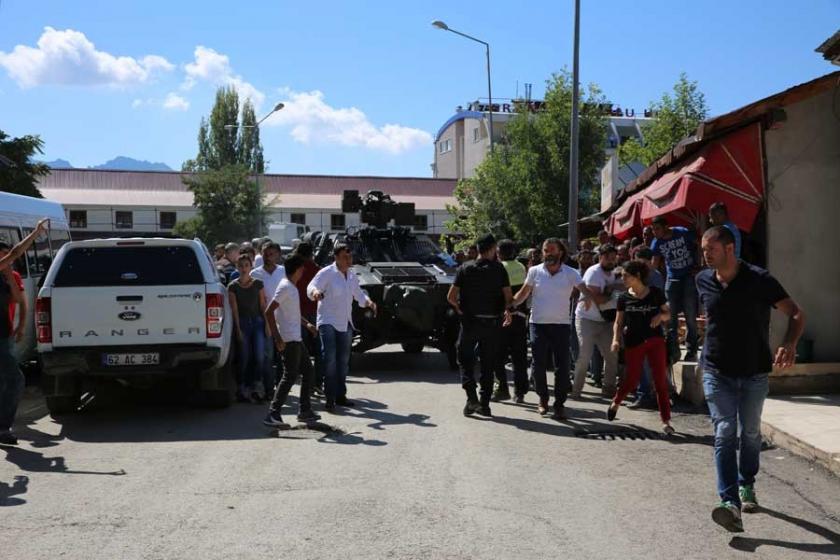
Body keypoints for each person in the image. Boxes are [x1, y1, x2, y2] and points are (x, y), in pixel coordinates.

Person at [698, 226, 804, 533]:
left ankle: (747, 483)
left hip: (754, 372)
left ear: (730, 249)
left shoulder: (760, 279)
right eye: (703, 249)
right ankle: (729, 502)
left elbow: (796, 313)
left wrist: (789, 343)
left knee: (751, 434)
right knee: (725, 432)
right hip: (716, 371)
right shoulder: (702, 279)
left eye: (710, 249)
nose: (705, 255)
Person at [509, 238, 590, 419]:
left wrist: (590, 300)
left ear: (560, 252)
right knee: (538, 364)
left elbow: (584, 289)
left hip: (561, 325)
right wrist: (510, 305)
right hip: (537, 324)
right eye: (546, 250)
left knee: (562, 366)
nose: (548, 253)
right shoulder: (534, 271)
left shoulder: (571, 273)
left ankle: (559, 403)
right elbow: (523, 293)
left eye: (552, 250)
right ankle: (543, 399)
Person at [447, 233, 511, 417]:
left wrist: (460, 310)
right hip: (492, 323)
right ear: (491, 249)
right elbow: (508, 297)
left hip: (470, 322)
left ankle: (471, 398)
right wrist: (507, 309)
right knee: (487, 364)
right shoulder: (499, 269)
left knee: (465, 360)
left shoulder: (465, 268)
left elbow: (450, 297)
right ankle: (485, 404)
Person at [607, 260, 674, 434]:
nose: (622, 279)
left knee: (660, 380)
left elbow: (668, 313)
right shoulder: (623, 297)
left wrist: (660, 317)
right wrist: (615, 339)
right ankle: (616, 402)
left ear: (637, 276)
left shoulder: (655, 293)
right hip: (633, 342)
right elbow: (618, 321)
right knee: (632, 380)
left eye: (625, 276)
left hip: (655, 341)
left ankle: (666, 421)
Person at [308, 244, 377, 412]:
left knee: (343, 361)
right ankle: (330, 397)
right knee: (330, 359)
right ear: (336, 258)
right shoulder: (326, 273)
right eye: (345, 257)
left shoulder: (351, 276)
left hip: (345, 322)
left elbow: (358, 294)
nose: (349, 260)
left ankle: (340, 396)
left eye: (350, 256)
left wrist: (368, 302)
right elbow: (311, 287)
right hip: (327, 321)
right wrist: (316, 293)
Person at [0, 218, 49, 446]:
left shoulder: (6, 276)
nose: (6, 258)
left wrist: (18, 327)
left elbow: (19, 300)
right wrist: (35, 234)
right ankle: (2, 428)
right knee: (16, 379)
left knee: (10, 380)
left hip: (4, 334)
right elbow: (17, 252)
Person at [263, 254, 321, 427]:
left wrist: (307, 324)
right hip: (289, 339)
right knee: (289, 376)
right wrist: (278, 338)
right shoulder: (286, 287)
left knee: (308, 372)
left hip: (295, 337)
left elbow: (293, 313)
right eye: (302, 268)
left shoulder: (291, 287)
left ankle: (304, 410)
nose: (303, 271)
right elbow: (268, 312)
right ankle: (273, 413)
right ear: (296, 270)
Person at [571, 244, 621, 398]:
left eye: (613, 259)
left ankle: (609, 388)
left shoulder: (615, 273)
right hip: (587, 319)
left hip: (606, 321)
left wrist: (613, 288)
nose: (611, 261)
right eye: (607, 258)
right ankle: (576, 391)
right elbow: (598, 299)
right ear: (600, 257)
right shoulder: (593, 273)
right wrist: (612, 290)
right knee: (585, 356)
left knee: (612, 355)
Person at [651, 215, 700, 362]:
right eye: (653, 229)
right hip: (672, 279)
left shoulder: (682, 232)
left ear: (666, 227)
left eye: (657, 229)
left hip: (689, 277)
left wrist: (700, 266)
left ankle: (691, 351)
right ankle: (673, 351)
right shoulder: (657, 242)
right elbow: (654, 263)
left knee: (690, 315)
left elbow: (699, 244)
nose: (655, 232)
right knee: (670, 315)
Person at [492, 239, 528, 402]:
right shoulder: (521, 267)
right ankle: (520, 393)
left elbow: (499, 295)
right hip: (520, 318)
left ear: (499, 253)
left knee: (497, 356)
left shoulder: (499, 268)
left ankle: (502, 389)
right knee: (519, 356)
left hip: (503, 318)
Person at [227, 254, 266, 403]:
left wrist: (268, 325)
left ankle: (258, 386)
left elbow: (263, 306)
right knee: (244, 357)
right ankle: (242, 387)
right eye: (241, 265)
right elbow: (234, 310)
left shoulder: (258, 284)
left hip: (257, 323)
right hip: (242, 323)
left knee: (260, 356)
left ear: (251, 267)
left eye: (246, 265)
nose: (243, 268)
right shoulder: (233, 286)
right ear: (237, 267)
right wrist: (237, 329)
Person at [250, 242, 286, 400]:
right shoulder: (255, 274)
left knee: (283, 358)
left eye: (271, 254)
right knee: (267, 356)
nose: (268, 257)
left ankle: (281, 389)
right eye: (265, 253)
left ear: (278, 255)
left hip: (283, 320)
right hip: (264, 321)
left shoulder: (284, 272)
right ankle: (269, 390)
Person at [294, 242, 324, 396]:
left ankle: (306, 383)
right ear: (312, 253)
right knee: (319, 351)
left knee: (302, 352)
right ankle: (318, 382)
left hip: (299, 315)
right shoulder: (318, 270)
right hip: (316, 313)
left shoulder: (296, 270)